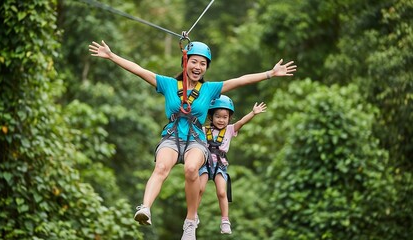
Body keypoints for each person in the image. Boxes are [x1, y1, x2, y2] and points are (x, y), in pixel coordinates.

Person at [88, 40, 296, 240]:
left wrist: (270, 73)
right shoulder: (168, 84)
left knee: (191, 169)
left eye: (203, 63)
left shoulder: (209, 89)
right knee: (161, 166)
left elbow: (240, 80)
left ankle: (190, 223)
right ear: (185, 62)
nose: (198, 66)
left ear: (206, 67)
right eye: (194, 61)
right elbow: (139, 70)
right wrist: (112, 56)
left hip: (196, 140)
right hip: (172, 136)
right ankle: (145, 208)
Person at [196, 95, 267, 234]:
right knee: (199, 189)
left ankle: (225, 220)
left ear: (229, 118)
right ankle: (193, 215)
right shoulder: (203, 131)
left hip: (220, 165)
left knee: (222, 193)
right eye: (217, 116)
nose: (221, 120)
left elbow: (241, 122)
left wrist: (252, 113)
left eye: (224, 117)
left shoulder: (229, 130)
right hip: (205, 163)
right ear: (211, 117)